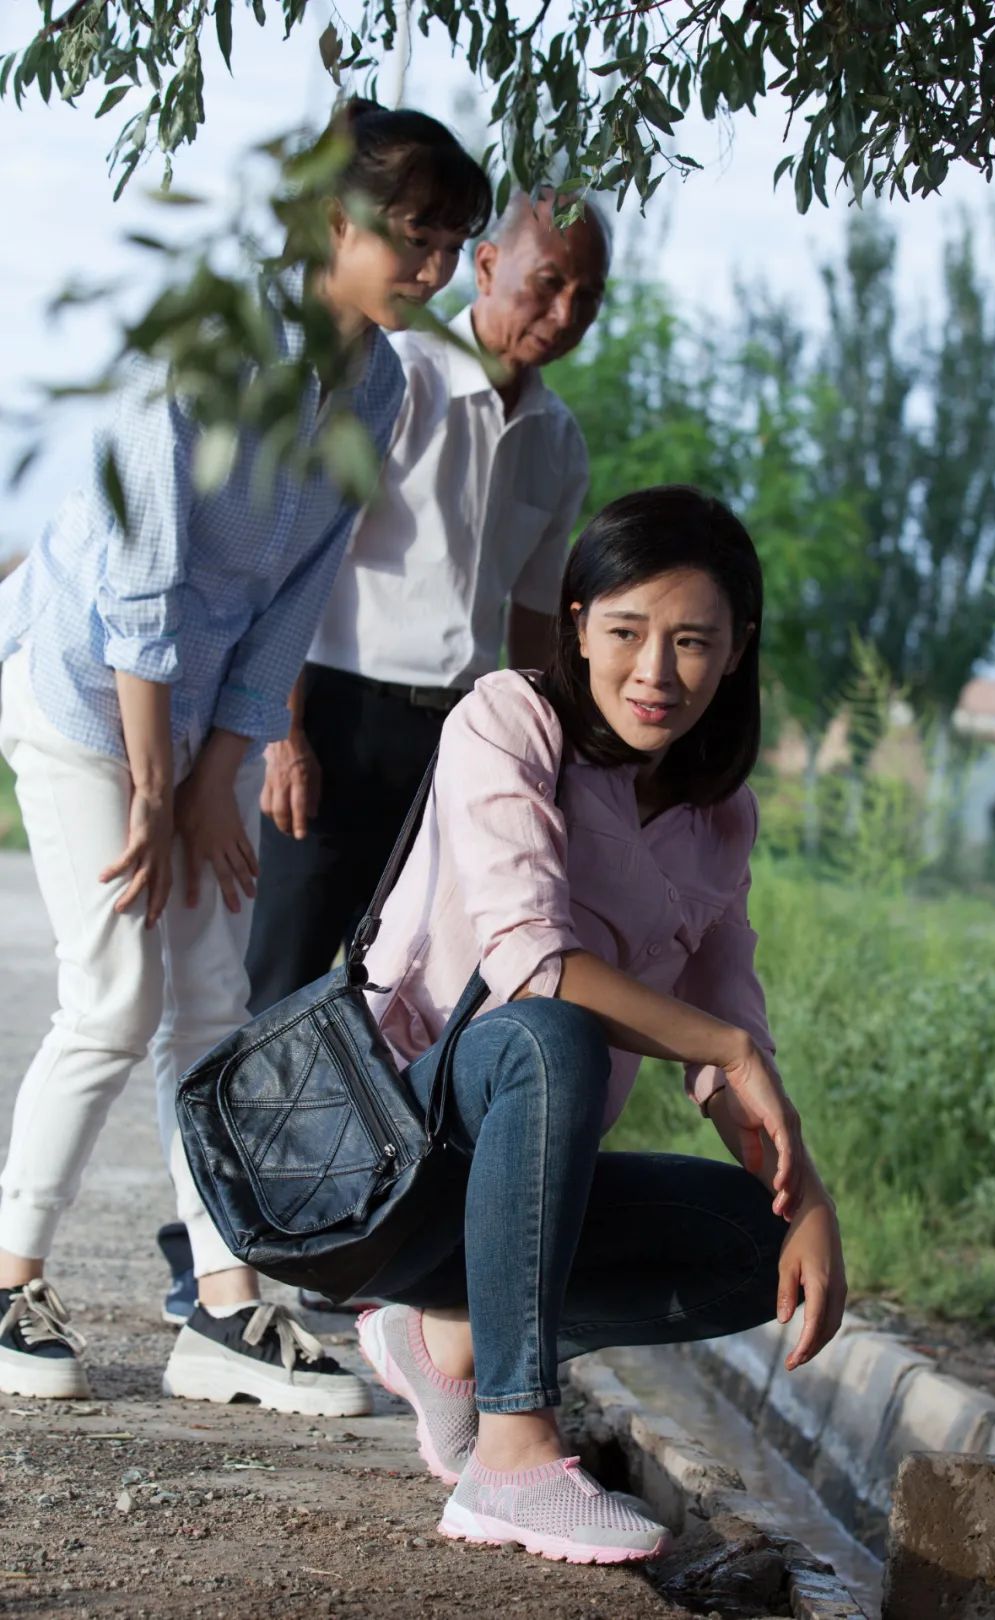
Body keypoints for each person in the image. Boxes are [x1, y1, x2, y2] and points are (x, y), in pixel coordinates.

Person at [0, 97, 492, 1411]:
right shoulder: (218, 354)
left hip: (200, 707)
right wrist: (161, 792)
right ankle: (6, 1282)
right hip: (81, 694)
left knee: (216, 1014)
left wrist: (223, 770)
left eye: (454, 241)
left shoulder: (378, 385)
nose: (436, 266)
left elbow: (295, 597)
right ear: (333, 222)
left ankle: (225, 1314)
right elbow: (140, 587)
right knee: (114, 998)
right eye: (415, 234)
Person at [348, 484, 847, 1563]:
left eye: (693, 643)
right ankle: (514, 1456)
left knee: (752, 1245)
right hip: (381, 1150)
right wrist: (725, 1048)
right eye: (626, 632)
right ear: (578, 624)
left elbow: (729, 1016)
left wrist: (809, 1200)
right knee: (551, 1030)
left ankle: (445, 1334)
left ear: (736, 650)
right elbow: (531, 960)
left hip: (510, 1181)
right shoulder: (507, 717)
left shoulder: (721, 815)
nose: (655, 673)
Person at [244, 187, 610, 1016]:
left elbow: (533, 622)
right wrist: (284, 734)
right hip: (337, 720)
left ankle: (371, 1152)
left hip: (459, 744)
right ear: (485, 266)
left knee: (404, 992)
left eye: (586, 296)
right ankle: (216, 1152)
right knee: (283, 986)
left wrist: (550, 766)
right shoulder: (394, 380)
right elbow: (305, 558)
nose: (564, 310)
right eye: (547, 282)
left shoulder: (560, 443)